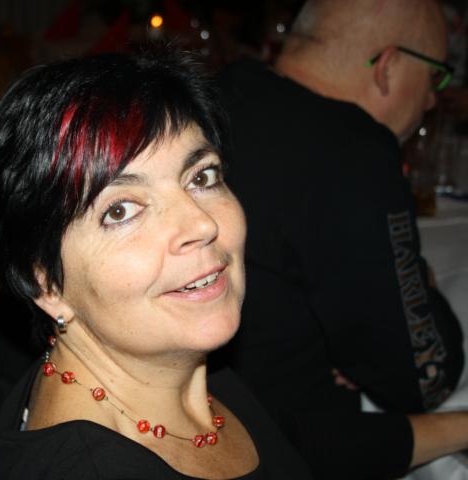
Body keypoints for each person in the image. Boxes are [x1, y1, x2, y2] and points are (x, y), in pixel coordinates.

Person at [0, 49, 313, 479]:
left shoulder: (172, 362)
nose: (201, 224)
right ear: (46, 283)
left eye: (201, 177)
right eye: (121, 210)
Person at [212, 0, 468, 478]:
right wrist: (425, 285)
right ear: (388, 66)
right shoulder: (352, 153)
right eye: (435, 76)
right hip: (283, 453)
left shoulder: (220, 91)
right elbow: (423, 377)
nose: (433, 99)